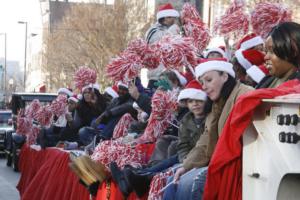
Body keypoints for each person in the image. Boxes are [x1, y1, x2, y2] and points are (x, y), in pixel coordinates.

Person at [162, 58, 253, 200]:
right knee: (173, 178)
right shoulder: (217, 103)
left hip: (238, 166)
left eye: (208, 80)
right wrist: (186, 166)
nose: (203, 86)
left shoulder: (244, 95)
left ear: (225, 76)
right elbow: (205, 141)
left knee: (188, 183)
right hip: (219, 162)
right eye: (202, 82)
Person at [110, 80, 208, 198]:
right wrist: (185, 158)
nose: (195, 104)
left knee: (172, 155)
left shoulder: (209, 118)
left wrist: (187, 161)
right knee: (170, 149)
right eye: (191, 101)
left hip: (199, 155)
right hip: (188, 153)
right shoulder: (186, 119)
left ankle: (145, 175)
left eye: (199, 100)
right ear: (186, 103)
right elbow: (183, 145)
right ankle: (142, 174)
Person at [145, 3, 180, 90]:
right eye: (173, 18)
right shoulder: (153, 31)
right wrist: (174, 28)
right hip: (156, 78)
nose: (175, 21)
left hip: (170, 78)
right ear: (166, 18)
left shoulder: (170, 30)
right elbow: (162, 41)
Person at [258, 21, 300, 88]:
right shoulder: (266, 80)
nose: (265, 57)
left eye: (272, 51)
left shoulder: (297, 90)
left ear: (293, 51)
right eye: (266, 52)